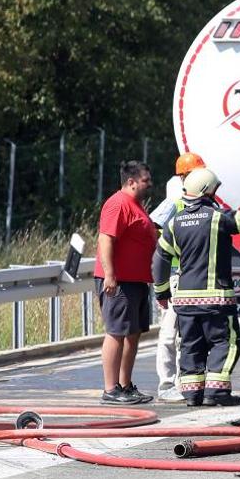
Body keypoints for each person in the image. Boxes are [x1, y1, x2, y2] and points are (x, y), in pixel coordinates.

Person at [153, 169, 240, 406]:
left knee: (191, 345)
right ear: (206, 191)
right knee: (226, 343)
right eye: (214, 190)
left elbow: (160, 257)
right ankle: (216, 392)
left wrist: (162, 291)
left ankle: (192, 394)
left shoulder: (174, 223)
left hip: (184, 302)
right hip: (216, 300)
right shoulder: (218, 217)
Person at [95, 160, 157, 404]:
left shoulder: (136, 205)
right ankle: (111, 389)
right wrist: (110, 274)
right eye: (145, 180)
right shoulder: (118, 204)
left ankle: (125, 385)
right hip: (119, 281)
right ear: (131, 182)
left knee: (132, 333)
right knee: (116, 332)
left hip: (136, 281)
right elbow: (106, 239)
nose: (149, 184)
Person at [148, 152, 204, 403]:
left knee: (189, 334)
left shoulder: (204, 204)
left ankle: (186, 382)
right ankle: (167, 383)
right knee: (170, 332)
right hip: (173, 276)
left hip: (192, 276)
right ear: (183, 177)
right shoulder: (174, 203)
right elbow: (152, 228)